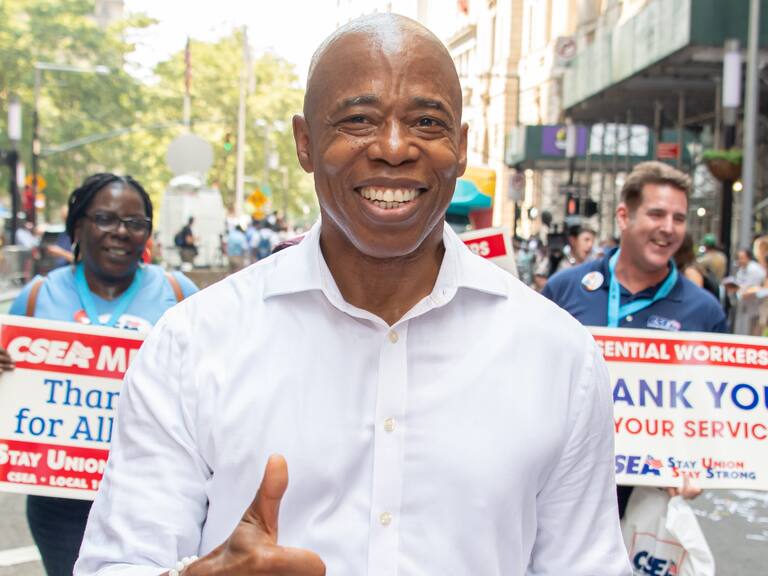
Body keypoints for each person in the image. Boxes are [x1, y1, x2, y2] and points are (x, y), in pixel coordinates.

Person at [76, 15, 630, 576]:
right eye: (359, 120)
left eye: (426, 121)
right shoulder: (192, 344)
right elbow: (117, 562)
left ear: (461, 148)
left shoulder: (558, 356)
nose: (393, 147)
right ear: (306, 143)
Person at [0, 173, 198, 576]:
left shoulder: (179, 294)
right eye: (105, 219)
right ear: (78, 226)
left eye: (135, 223)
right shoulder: (37, 296)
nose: (120, 233)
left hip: (154, 495)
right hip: (59, 502)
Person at [543, 161, 726, 519]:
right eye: (656, 214)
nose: (668, 229)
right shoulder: (564, 289)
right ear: (624, 216)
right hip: (560, 493)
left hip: (646, 502)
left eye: (679, 218)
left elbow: (713, 412)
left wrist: (699, 465)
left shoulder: (704, 311)